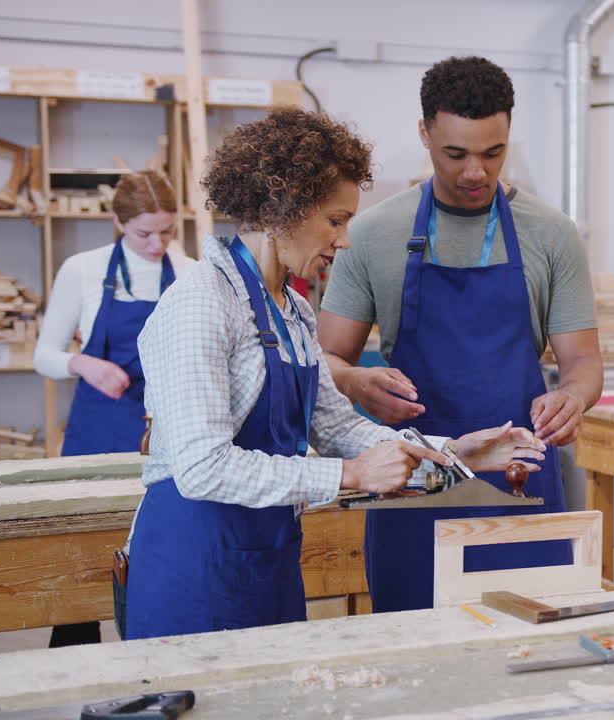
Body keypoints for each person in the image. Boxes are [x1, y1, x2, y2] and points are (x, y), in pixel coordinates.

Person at [124, 108, 544, 640]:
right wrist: (349, 476)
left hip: (266, 559)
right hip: (192, 569)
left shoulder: (294, 311)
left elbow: (339, 429)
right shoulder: (201, 305)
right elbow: (203, 467)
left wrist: (453, 453)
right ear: (283, 209)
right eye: (336, 219)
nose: (344, 240)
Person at [318, 56, 602, 612]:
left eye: (492, 153)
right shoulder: (374, 233)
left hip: (521, 479)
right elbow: (323, 359)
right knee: (411, 646)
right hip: (413, 476)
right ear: (424, 133)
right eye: (456, 154)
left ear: (508, 136)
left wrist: (572, 397)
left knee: (530, 643)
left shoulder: (552, 234)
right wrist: (353, 381)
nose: (475, 171)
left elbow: (583, 362)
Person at [33, 169, 195, 647]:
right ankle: (76, 668)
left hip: (164, 440)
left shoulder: (188, 272)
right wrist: (85, 364)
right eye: (144, 233)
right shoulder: (83, 270)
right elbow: (45, 355)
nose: (156, 244)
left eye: (167, 231)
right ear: (118, 223)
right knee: (79, 567)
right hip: (95, 435)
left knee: (159, 562)